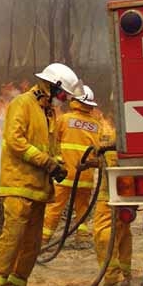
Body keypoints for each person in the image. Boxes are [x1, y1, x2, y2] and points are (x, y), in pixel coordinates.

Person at [0, 63, 84, 286]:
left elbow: (52, 149)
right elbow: (15, 141)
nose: (63, 100)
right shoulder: (22, 104)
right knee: (12, 239)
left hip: (39, 188)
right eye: (63, 94)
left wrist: (58, 165)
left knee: (32, 246)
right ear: (52, 86)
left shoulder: (49, 113)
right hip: (18, 184)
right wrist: (47, 163)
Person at [42, 85, 100, 247]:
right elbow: (97, 151)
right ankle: (82, 238)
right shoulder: (96, 125)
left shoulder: (65, 120)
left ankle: (43, 240)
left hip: (65, 174)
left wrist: (54, 159)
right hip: (86, 176)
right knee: (83, 208)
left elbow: (53, 140)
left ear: (75, 101)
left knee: (54, 207)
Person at [94, 127, 133, 286]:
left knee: (104, 234)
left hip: (109, 197)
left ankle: (111, 279)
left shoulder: (106, 129)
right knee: (122, 232)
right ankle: (125, 276)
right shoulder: (124, 126)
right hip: (128, 193)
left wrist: (105, 148)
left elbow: (106, 155)